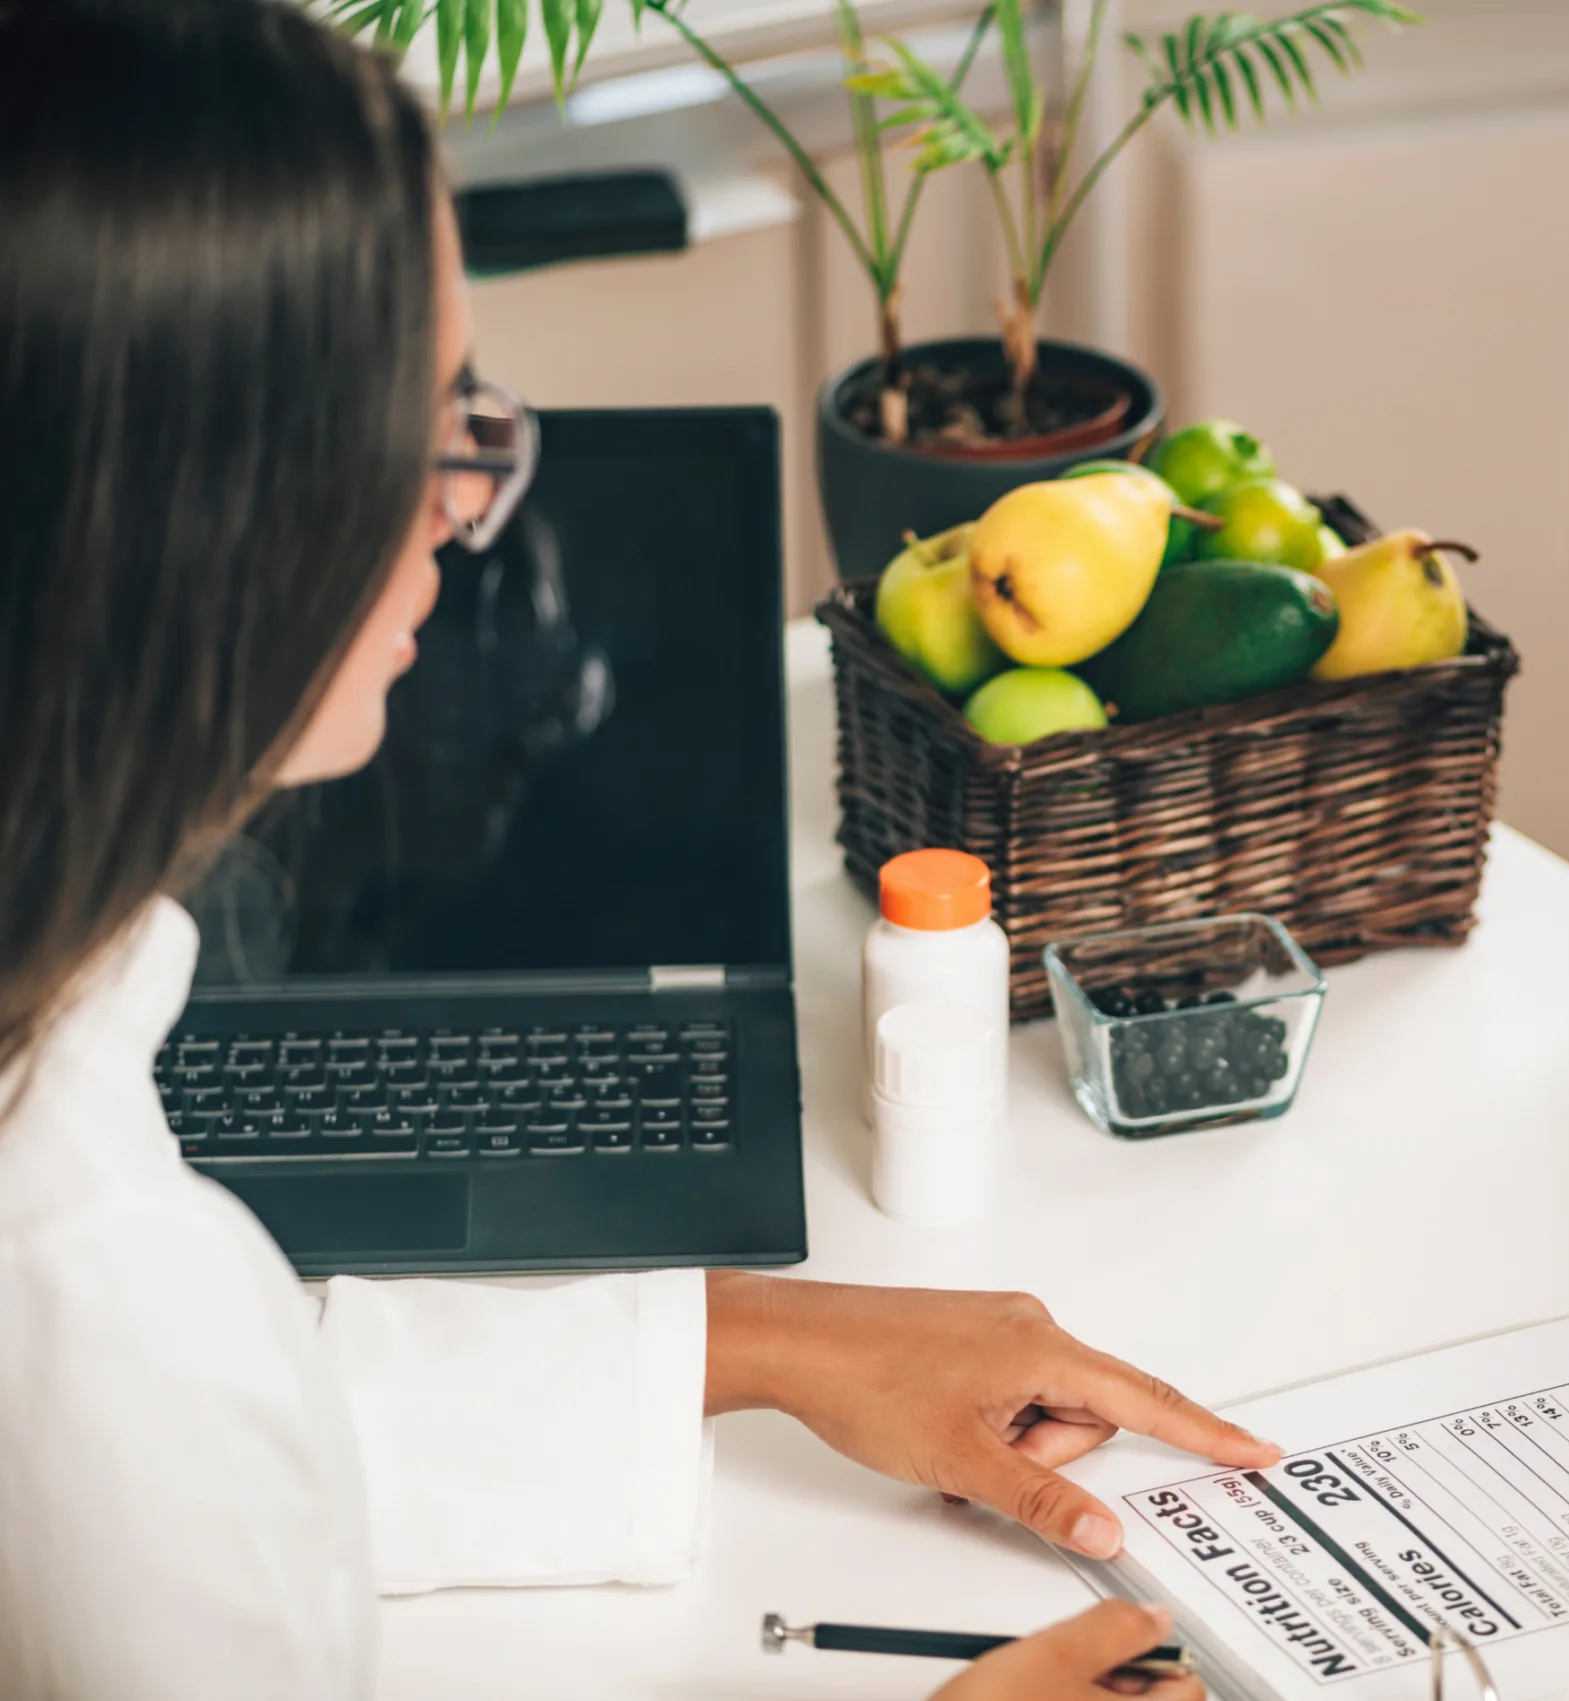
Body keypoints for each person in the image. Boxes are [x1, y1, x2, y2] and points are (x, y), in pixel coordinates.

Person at [0, 3, 1273, 1694]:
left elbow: (248, 1423)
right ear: (209, 507)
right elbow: (168, 1439)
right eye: (438, 420)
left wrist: (766, 1335)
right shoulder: (79, 1288)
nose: (471, 506)